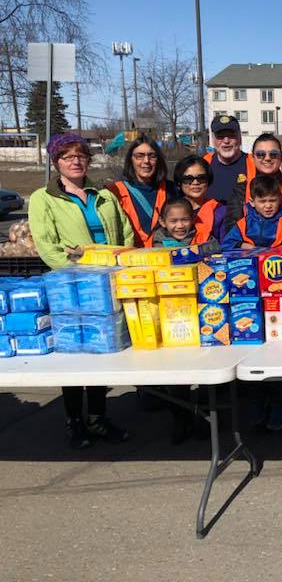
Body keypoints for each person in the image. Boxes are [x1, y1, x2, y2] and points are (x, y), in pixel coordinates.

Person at [28, 133, 134, 449]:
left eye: (81, 155)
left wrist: (121, 263)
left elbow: (125, 232)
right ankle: (75, 420)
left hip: (109, 284)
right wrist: (77, 272)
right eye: (67, 156)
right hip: (70, 288)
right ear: (56, 161)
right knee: (74, 354)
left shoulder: (103, 194)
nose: (75, 161)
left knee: (101, 350)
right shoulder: (43, 199)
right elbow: (46, 246)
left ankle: (98, 418)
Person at [225, 133, 282, 230]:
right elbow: (232, 227)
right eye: (260, 154)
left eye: (273, 154)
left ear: (281, 157)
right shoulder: (241, 189)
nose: (267, 158)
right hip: (251, 244)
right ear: (253, 158)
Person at [107, 135, 175, 247]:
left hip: (164, 257)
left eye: (152, 156)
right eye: (140, 156)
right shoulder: (115, 192)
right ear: (131, 160)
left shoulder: (171, 190)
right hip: (129, 258)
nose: (146, 161)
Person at [222, 174, 282, 250]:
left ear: (280, 200)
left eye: (272, 200)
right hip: (250, 260)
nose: (268, 206)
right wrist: (242, 245)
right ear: (252, 202)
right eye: (262, 201)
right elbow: (226, 244)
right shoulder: (244, 224)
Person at [173, 155, 226, 244]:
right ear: (179, 182)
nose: (195, 182)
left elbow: (226, 245)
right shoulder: (171, 210)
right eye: (188, 179)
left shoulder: (220, 212)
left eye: (201, 178)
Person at [204, 115, 256, 204]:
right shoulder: (204, 165)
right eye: (220, 136)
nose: (226, 141)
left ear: (240, 137)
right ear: (212, 139)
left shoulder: (255, 163)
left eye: (232, 135)